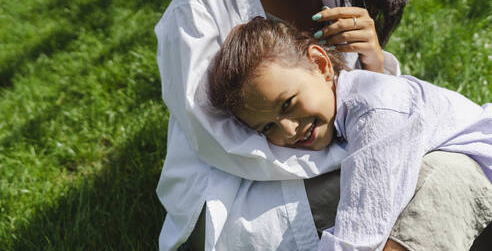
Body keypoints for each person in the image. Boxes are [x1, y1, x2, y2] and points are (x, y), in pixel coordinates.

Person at [154, 0, 491, 250]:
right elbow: (210, 135)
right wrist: (366, 150)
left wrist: (373, 63)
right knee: (438, 173)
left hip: (339, 164)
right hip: (241, 190)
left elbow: (375, 115)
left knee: (432, 172)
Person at [206, 17, 492, 250]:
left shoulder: (377, 110)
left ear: (320, 65)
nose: (289, 129)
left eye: (288, 104)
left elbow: (360, 233)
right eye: (267, 127)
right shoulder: (350, 110)